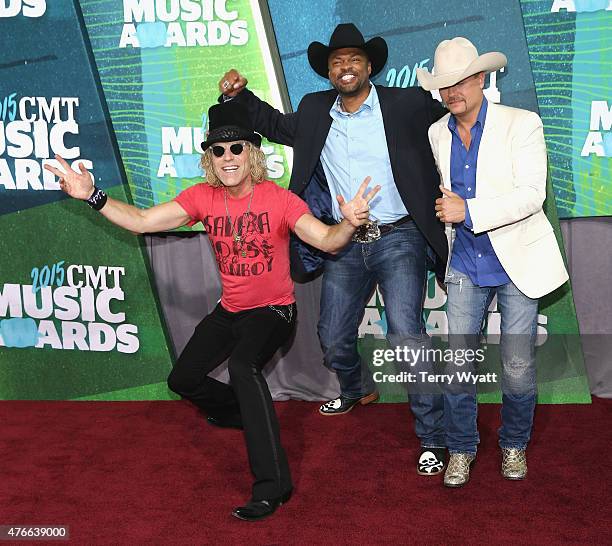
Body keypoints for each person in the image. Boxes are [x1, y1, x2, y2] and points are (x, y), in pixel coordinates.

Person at [44, 100, 379, 520]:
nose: (227, 158)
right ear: (209, 159)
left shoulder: (279, 201)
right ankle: (242, 413)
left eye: (236, 148)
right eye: (218, 151)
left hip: (274, 311)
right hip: (231, 310)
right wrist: (92, 195)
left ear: (252, 153)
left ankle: (273, 486)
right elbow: (144, 220)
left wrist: (349, 223)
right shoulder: (202, 198)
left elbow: (328, 241)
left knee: (242, 367)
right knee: (182, 378)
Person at [219, 23, 449, 475]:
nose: (346, 67)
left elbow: (453, 123)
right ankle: (357, 387)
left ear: (370, 67)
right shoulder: (314, 109)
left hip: (398, 235)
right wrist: (235, 98)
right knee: (333, 336)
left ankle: (435, 437)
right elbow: (272, 125)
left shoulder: (406, 104)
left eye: (354, 59)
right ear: (328, 72)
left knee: (405, 333)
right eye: (337, 61)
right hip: (344, 239)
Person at [416, 37, 569, 487]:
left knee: (518, 366)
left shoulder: (521, 124)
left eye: (461, 80)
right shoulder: (436, 132)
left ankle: (514, 443)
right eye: (444, 84)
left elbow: (531, 195)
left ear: (481, 78)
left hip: (515, 262)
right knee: (459, 364)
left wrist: (471, 211)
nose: (451, 92)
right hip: (465, 261)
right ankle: (461, 449)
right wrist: (456, 218)